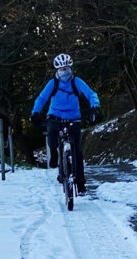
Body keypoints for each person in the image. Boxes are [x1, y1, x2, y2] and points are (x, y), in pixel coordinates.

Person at [30, 54, 101, 192]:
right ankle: (55, 155)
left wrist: (95, 107)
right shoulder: (53, 83)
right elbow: (42, 98)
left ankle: (80, 183)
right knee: (51, 136)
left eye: (66, 68)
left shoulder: (76, 82)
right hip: (55, 116)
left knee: (77, 152)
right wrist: (35, 112)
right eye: (61, 69)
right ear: (57, 70)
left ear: (71, 68)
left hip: (74, 118)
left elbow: (91, 94)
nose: (64, 72)